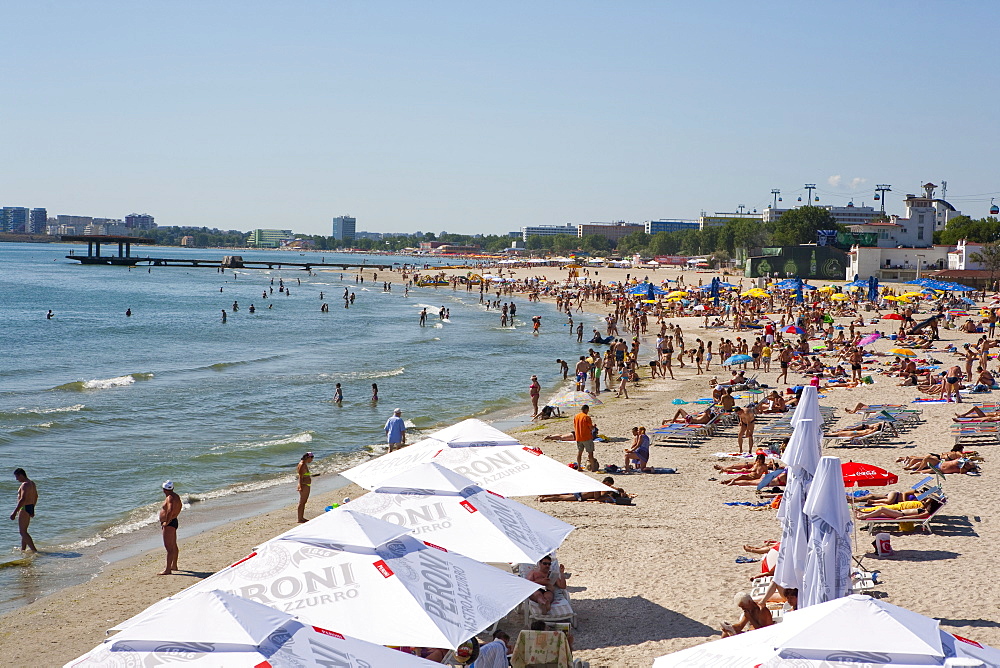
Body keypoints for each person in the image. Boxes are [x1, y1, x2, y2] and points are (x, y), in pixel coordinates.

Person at [10, 468, 38, 552]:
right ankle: (23, 549)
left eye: (17, 477)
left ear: (21, 475)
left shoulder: (24, 485)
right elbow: (36, 496)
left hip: (24, 507)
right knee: (24, 531)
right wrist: (32, 508)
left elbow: (23, 499)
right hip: (29, 507)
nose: (16, 479)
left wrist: (14, 512)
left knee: (22, 532)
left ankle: (34, 550)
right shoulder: (32, 483)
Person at [159, 480, 182, 575]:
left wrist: (167, 522)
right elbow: (179, 507)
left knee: (169, 547)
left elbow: (170, 510)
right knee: (173, 545)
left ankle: (168, 569)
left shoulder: (170, 498)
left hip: (169, 524)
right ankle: (174, 565)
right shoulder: (176, 496)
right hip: (174, 521)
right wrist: (173, 517)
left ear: (164, 490)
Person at [574, 405, 597, 471]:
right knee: (590, 453)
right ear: (586, 409)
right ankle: (593, 468)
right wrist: (594, 426)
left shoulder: (576, 416)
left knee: (579, 453)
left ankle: (579, 467)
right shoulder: (586, 417)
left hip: (578, 437)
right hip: (586, 437)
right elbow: (591, 428)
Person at [296, 452, 315, 523]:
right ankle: (300, 518)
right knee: (302, 502)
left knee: (304, 502)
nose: (311, 461)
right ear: (308, 457)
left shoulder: (304, 464)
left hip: (306, 485)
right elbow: (301, 476)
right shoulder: (302, 465)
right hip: (304, 485)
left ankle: (301, 517)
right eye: (311, 459)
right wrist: (300, 486)